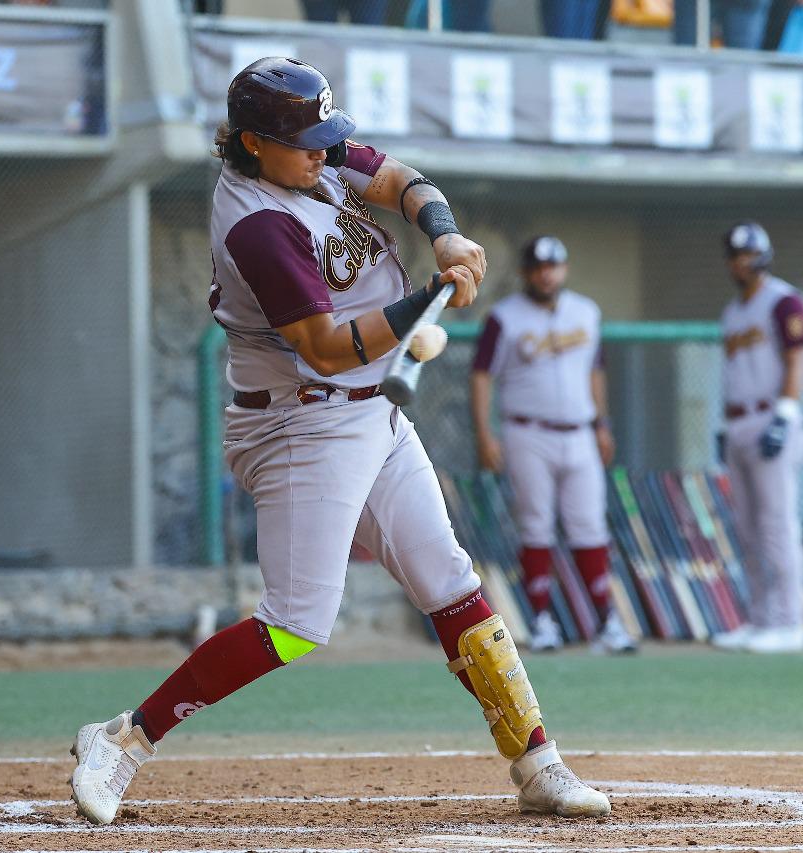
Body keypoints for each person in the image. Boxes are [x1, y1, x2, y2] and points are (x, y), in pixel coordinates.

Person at [68, 57, 609, 826]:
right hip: (299, 422)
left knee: (451, 581)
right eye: (305, 141)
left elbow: (398, 180)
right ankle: (124, 738)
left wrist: (445, 238)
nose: (323, 152)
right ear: (253, 143)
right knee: (294, 624)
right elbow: (322, 346)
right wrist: (426, 296)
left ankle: (538, 762)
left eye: (326, 136)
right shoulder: (259, 223)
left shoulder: (305, 159)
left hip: (370, 409)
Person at [469, 236, 636, 656]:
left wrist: (603, 423)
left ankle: (607, 622)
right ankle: (541, 620)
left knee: (589, 524)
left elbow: (595, 370)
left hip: (580, 430)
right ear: (527, 272)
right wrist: (485, 434)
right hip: (528, 431)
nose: (546, 273)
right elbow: (481, 375)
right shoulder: (504, 317)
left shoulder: (586, 311)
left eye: (553, 265)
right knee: (536, 524)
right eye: (538, 266)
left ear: (563, 269)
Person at [709, 222, 803, 654]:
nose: (742, 262)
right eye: (736, 255)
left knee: (777, 525)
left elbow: (797, 357)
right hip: (739, 421)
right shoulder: (732, 312)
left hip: (772, 416)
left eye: (749, 254)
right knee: (749, 527)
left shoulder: (784, 300)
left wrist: (785, 414)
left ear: (764, 256)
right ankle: (760, 619)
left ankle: (790, 622)